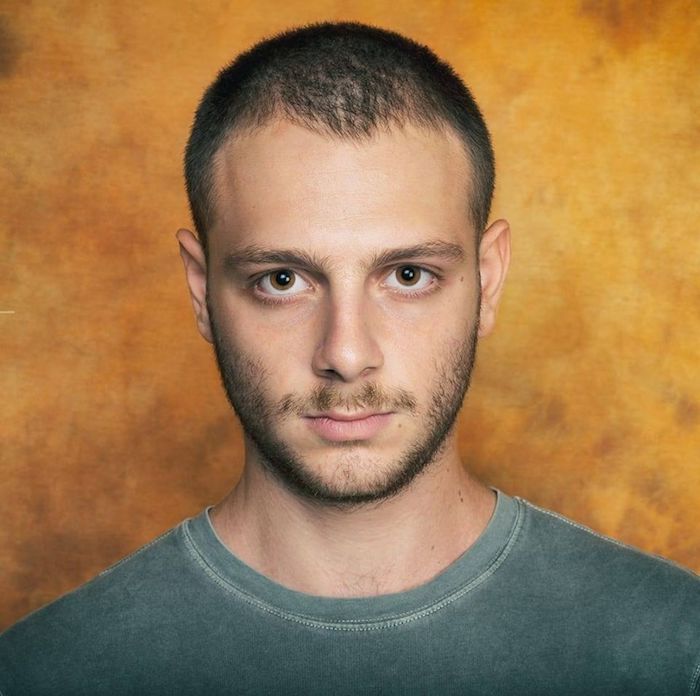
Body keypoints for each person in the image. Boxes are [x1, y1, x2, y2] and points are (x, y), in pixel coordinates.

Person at [1, 21, 698, 696]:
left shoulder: (677, 653)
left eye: (408, 276)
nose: (346, 353)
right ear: (201, 289)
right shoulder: (37, 675)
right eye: (282, 280)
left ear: (487, 282)